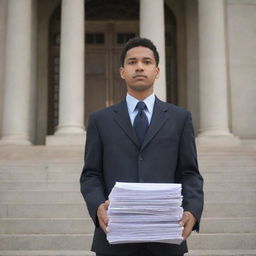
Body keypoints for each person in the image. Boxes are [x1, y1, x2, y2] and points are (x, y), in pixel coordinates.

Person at [80, 37, 204, 256]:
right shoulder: (100, 120)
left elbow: (190, 173)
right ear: (122, 71)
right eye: (132, 62)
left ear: (156, 71)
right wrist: (97, 205)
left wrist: (192, 211)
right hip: (114, 238)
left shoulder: (179, 118)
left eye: (146, 62)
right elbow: (91, 174)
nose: (139, 66)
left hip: (166, 236)